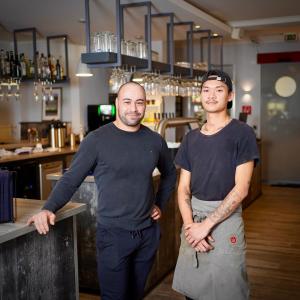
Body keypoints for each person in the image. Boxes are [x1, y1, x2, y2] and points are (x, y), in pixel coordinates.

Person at [27, 81, 177, 300]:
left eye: (139, 102)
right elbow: (71, 179)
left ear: (146, 104)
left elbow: (170, 173)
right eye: (127, 102)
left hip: (147, 233)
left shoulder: (154, 140)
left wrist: (159, 204)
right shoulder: (96, 140)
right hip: (113, 236)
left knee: (135, 295)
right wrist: (48, 207)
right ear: (116, 103)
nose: (133, 108)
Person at [172, 70, 259, 300]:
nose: (211, 95)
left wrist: (206, 226)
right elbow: (183, 188)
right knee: (193, 291)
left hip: (226, 222)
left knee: (228, 291)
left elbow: (241, 189)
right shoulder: (190, 139)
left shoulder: (242, 133)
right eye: (206, 90)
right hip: (195, 220)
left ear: (230, 96)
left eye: (219, 90)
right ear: (200, 95)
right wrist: (191, 227)